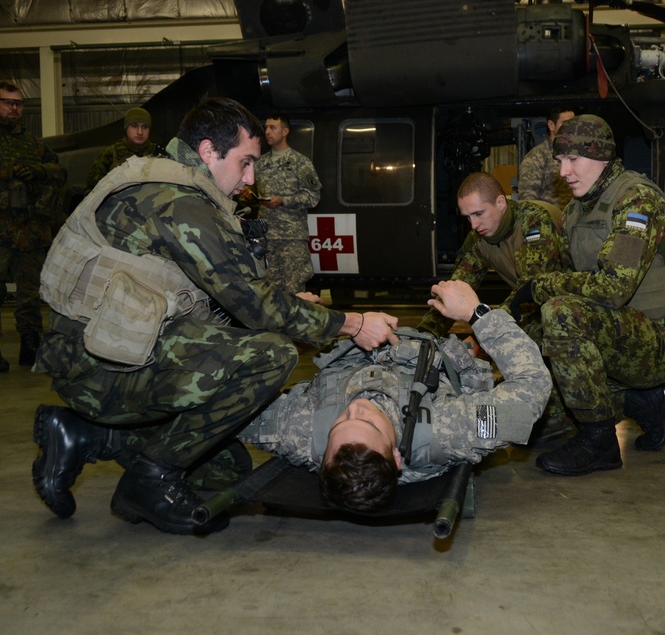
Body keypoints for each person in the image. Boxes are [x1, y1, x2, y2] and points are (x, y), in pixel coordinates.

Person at [31, 97, 398, 535]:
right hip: (99, 369)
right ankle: (151, 479)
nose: (250, 179)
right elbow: (255, 305)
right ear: (208, 151)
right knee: (272, 356)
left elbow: (220, 296)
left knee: (225, 467)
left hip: (111, 355)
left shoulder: (167, 182)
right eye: (246, 163)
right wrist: (353, 324)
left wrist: (287, 302)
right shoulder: (179, 203)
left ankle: (82, 435)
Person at [240, 279, 551, 512]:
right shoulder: (448, 431)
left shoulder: (299, 432)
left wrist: (287, 321)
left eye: (341, 422)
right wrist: (476, 312)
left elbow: (224, 391)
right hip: (429, 355)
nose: (358, 407)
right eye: (369, 423)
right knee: (469, 355)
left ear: (322, 458)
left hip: (349, 350)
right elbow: (532, 389)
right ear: (398, 457)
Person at [511, 114, 665, 476]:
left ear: (602, 156)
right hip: (615, 334)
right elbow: (565, 278)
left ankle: (600, 442)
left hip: (659, 340)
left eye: (573, 159)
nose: (564, 172)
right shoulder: (576, 210)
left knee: (560, 312)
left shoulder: (638, 199)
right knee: (535, 425)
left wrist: (540, 288)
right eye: (560, 160)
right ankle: (641, 402)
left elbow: (611, 289)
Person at [417, 171, 568, 439]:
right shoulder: (479, 239)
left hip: (565, 305)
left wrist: (482, 330)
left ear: (500, 203)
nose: (474, 225)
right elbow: (460, 287)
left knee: (522, 336)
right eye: (467, 217)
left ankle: (556, 414)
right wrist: (425, 334)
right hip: (532, 301)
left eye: (478, 214)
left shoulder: (535, 222)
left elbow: (530, 291)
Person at [0, 80, 66, 372]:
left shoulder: (32, 143)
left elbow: (59, 170)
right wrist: (10, 170)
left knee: (29, 293)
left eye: (18, 103)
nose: (14, 108)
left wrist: (37, 170)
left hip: (29, 229)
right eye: (8, 102)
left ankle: (30, 345)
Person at [253, 114, 321, 293]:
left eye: (272, 128)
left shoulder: (300, 162)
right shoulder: (260, 163)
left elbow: (313, 197)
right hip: (266, 238)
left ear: (285, 132)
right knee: (269, 291)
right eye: (266, 127)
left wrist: (284, 200)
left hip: (291, 239)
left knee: (294, 289)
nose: (267, 132)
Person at [83, 107, 169, 192]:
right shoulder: (109, 155)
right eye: (134, 126)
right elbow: (92, 191)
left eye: (145, 127)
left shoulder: (159, 154)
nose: (140, 132)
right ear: (126, 127)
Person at [517, 105, 576, 208]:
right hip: (550, 216)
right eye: (566, 123)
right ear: (551, 125)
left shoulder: (578, 154)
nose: (572, 128)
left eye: (574, 123)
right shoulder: (537, 156)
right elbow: (527, 200)